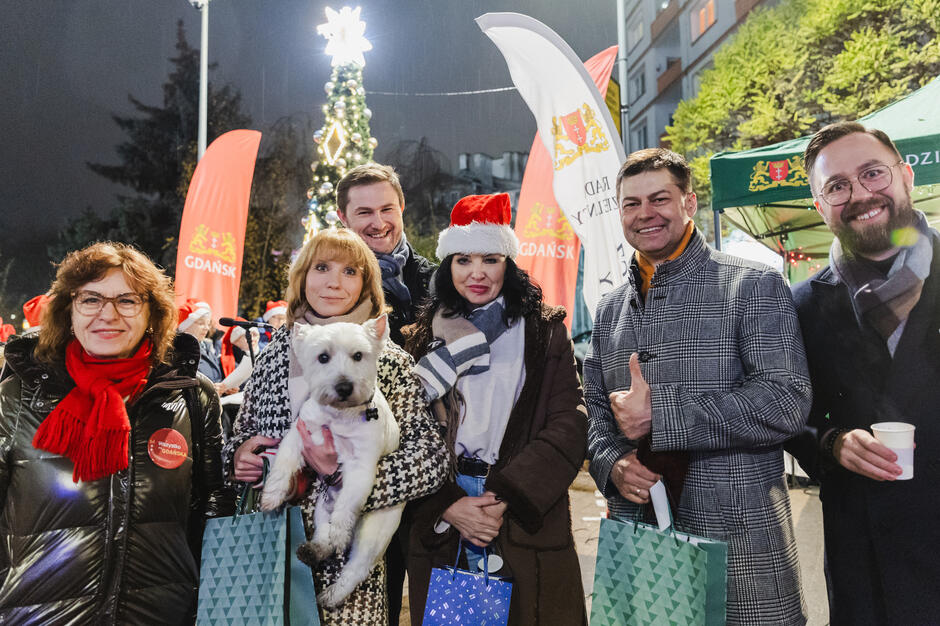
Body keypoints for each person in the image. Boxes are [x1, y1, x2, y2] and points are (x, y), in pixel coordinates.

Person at [584, 149, 812, 625]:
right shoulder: (609, 310)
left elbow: (786, 400)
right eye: (631, 204)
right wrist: (614, 464)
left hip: (742, 541)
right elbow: (597, 413)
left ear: (689, 203)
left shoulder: (752, 284)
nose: (645, 213)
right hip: (642, 538)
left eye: (659, 198)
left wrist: (662, 417)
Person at [223, 228, 446, 625]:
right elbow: (240, 436)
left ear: (366, 284)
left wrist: (342, 474)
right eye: (321, 267)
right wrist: (240, 456)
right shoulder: (275, 355)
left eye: (350, 271)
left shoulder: (389, 361)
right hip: (271, 551)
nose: (333, 281)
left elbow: (430, 460)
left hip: (349, 574)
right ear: (302, 277)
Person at [0, 242, 230, 624]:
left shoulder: (190, 396)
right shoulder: (18, 395)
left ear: (153, 314)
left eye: (128, 300)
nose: (108, 314)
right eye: (90, 299)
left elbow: (212, 510)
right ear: (68, 310)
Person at [404, 193, 588, 625]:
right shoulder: (420, 338)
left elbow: (570, 420)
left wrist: (505, 496)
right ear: (448, 266)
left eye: (490, 258)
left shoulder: (542, 331)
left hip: (517, 507)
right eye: (463, 259)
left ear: (508, 261)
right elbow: (405, 432)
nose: (477, 272)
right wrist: (449, 503)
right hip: (445, 507)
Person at [788, 122, 940, 624]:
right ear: (820, 206)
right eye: (837, 186)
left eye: (872, 173)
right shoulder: (801, 304)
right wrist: (831, 441)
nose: (860, 195)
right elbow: (787, 410)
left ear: (905, 176)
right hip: (864, 555)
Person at [335, 162, 436, 620]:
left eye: (386, 208)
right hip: (358, 477)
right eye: (363, 212)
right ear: (344, 218)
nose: (378, 222)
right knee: (370, 603)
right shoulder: (332, 290)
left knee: (440, 604)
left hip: (433, 472)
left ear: (402, 208)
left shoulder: (440, 281)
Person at [178, 298, 223, 383]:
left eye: (208, 323)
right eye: (201, 323)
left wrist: (224, 388)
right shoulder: (178, 350)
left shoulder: (206, 347)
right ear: (186, 325)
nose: (206, 328)